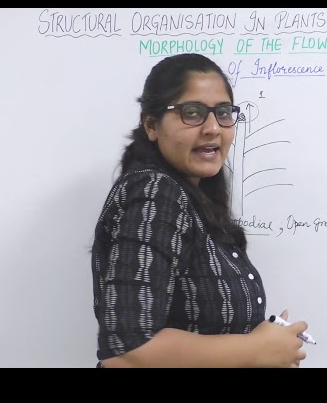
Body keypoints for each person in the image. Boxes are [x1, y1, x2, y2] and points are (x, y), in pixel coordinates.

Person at [90, 53, 309, 368]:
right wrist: (256, 349)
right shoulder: (156, 193)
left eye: (223, 113)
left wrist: (267, 343)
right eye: (191, 113)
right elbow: (127, 350)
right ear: (151, 125)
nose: (213, 128)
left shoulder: (193, 197)